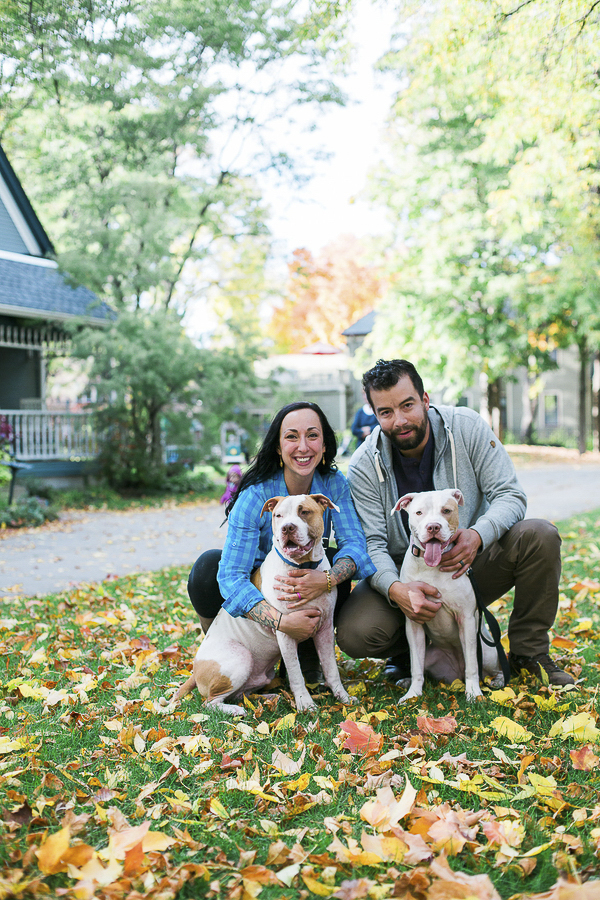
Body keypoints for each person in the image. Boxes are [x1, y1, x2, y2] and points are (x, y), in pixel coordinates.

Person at [337, 358, 575, 687]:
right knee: (355, 632)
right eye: (386, 412)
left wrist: (478, 535)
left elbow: (510, 495)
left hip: (469, 561)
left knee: (540, 535)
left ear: (425, 399)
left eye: (407, 405)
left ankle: (529, 653)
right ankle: (409, 654)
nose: (400, 420)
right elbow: (372, 543)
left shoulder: (466, 427)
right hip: (407, 570)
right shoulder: (364, 463)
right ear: (374, 414)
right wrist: (396, 589)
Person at [187, 401, 375, 681]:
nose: (303, 447)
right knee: (207, 568)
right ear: (278, 447)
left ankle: (306, 653)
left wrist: (327, 579)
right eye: (291, 437)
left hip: (305, 576)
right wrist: (281, 622)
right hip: (259, 581)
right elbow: (231, 576)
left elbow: (355, 545)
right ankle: (224, 649)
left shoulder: (334, 483)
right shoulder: (255, 495)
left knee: (334, 559)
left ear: (324, 445)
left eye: (312, 435)